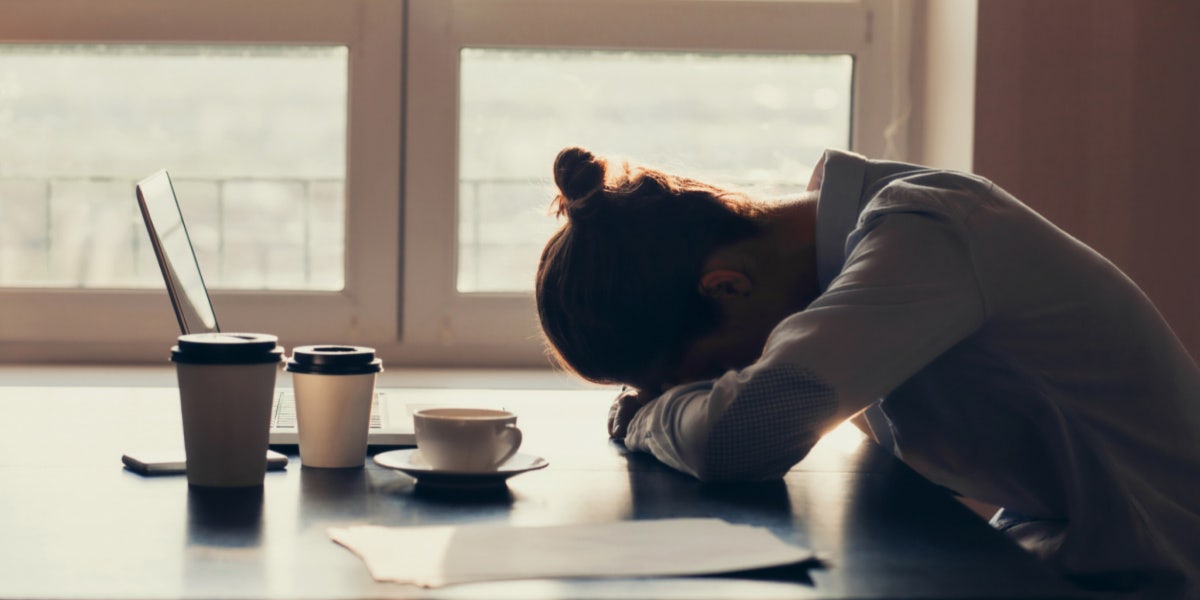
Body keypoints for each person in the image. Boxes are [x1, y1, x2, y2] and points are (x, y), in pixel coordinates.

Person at [535, 146, 1200, 598]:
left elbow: (740, 433)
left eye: (700, 377)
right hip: (1061, 555)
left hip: (1153, 576)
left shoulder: (923, 234)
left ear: (727, 287)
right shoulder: (856, 248)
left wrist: (650, 416)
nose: (717, 387)